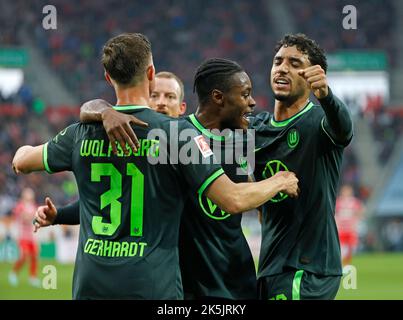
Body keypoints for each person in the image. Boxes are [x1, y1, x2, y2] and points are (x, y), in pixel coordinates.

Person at [13, 33, 299, 299]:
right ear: (151, 74)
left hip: (92, 283)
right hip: (152, 284)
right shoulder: (179, 136)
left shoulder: (78, 133)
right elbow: (233, 199)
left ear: (108, 77)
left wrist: (99, 110)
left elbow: (21, 161)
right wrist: (280, 180)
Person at [250, 33, 354, 300]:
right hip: (271, 266)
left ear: (312, 77)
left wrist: (327, 96)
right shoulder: (255, 129)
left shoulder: (318, 123)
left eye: (295, 64)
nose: (283, 67)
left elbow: (344, 130)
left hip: (306, 267)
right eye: (278, 61)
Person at [8, 187, 40, 287]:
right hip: (22, 235)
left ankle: (33, 277)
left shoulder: (34, 206)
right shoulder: (20, 206)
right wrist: (30, 216)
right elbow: (24, 217)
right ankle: (13, 273)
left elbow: (35, 218)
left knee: (35, 256)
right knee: (24, 256)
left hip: (32, 236)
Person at [335, 184, 364, 267]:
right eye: (344, 191)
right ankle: (340, 264)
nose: (346, 193)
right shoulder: (338, 202)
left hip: (351, 229)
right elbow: (334, 213)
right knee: (341, 248)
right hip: (341, 229)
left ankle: (347, 264)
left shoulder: (355, 202)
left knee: (352, 248)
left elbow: (360, 212)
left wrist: (356, 221)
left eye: (348, 191)